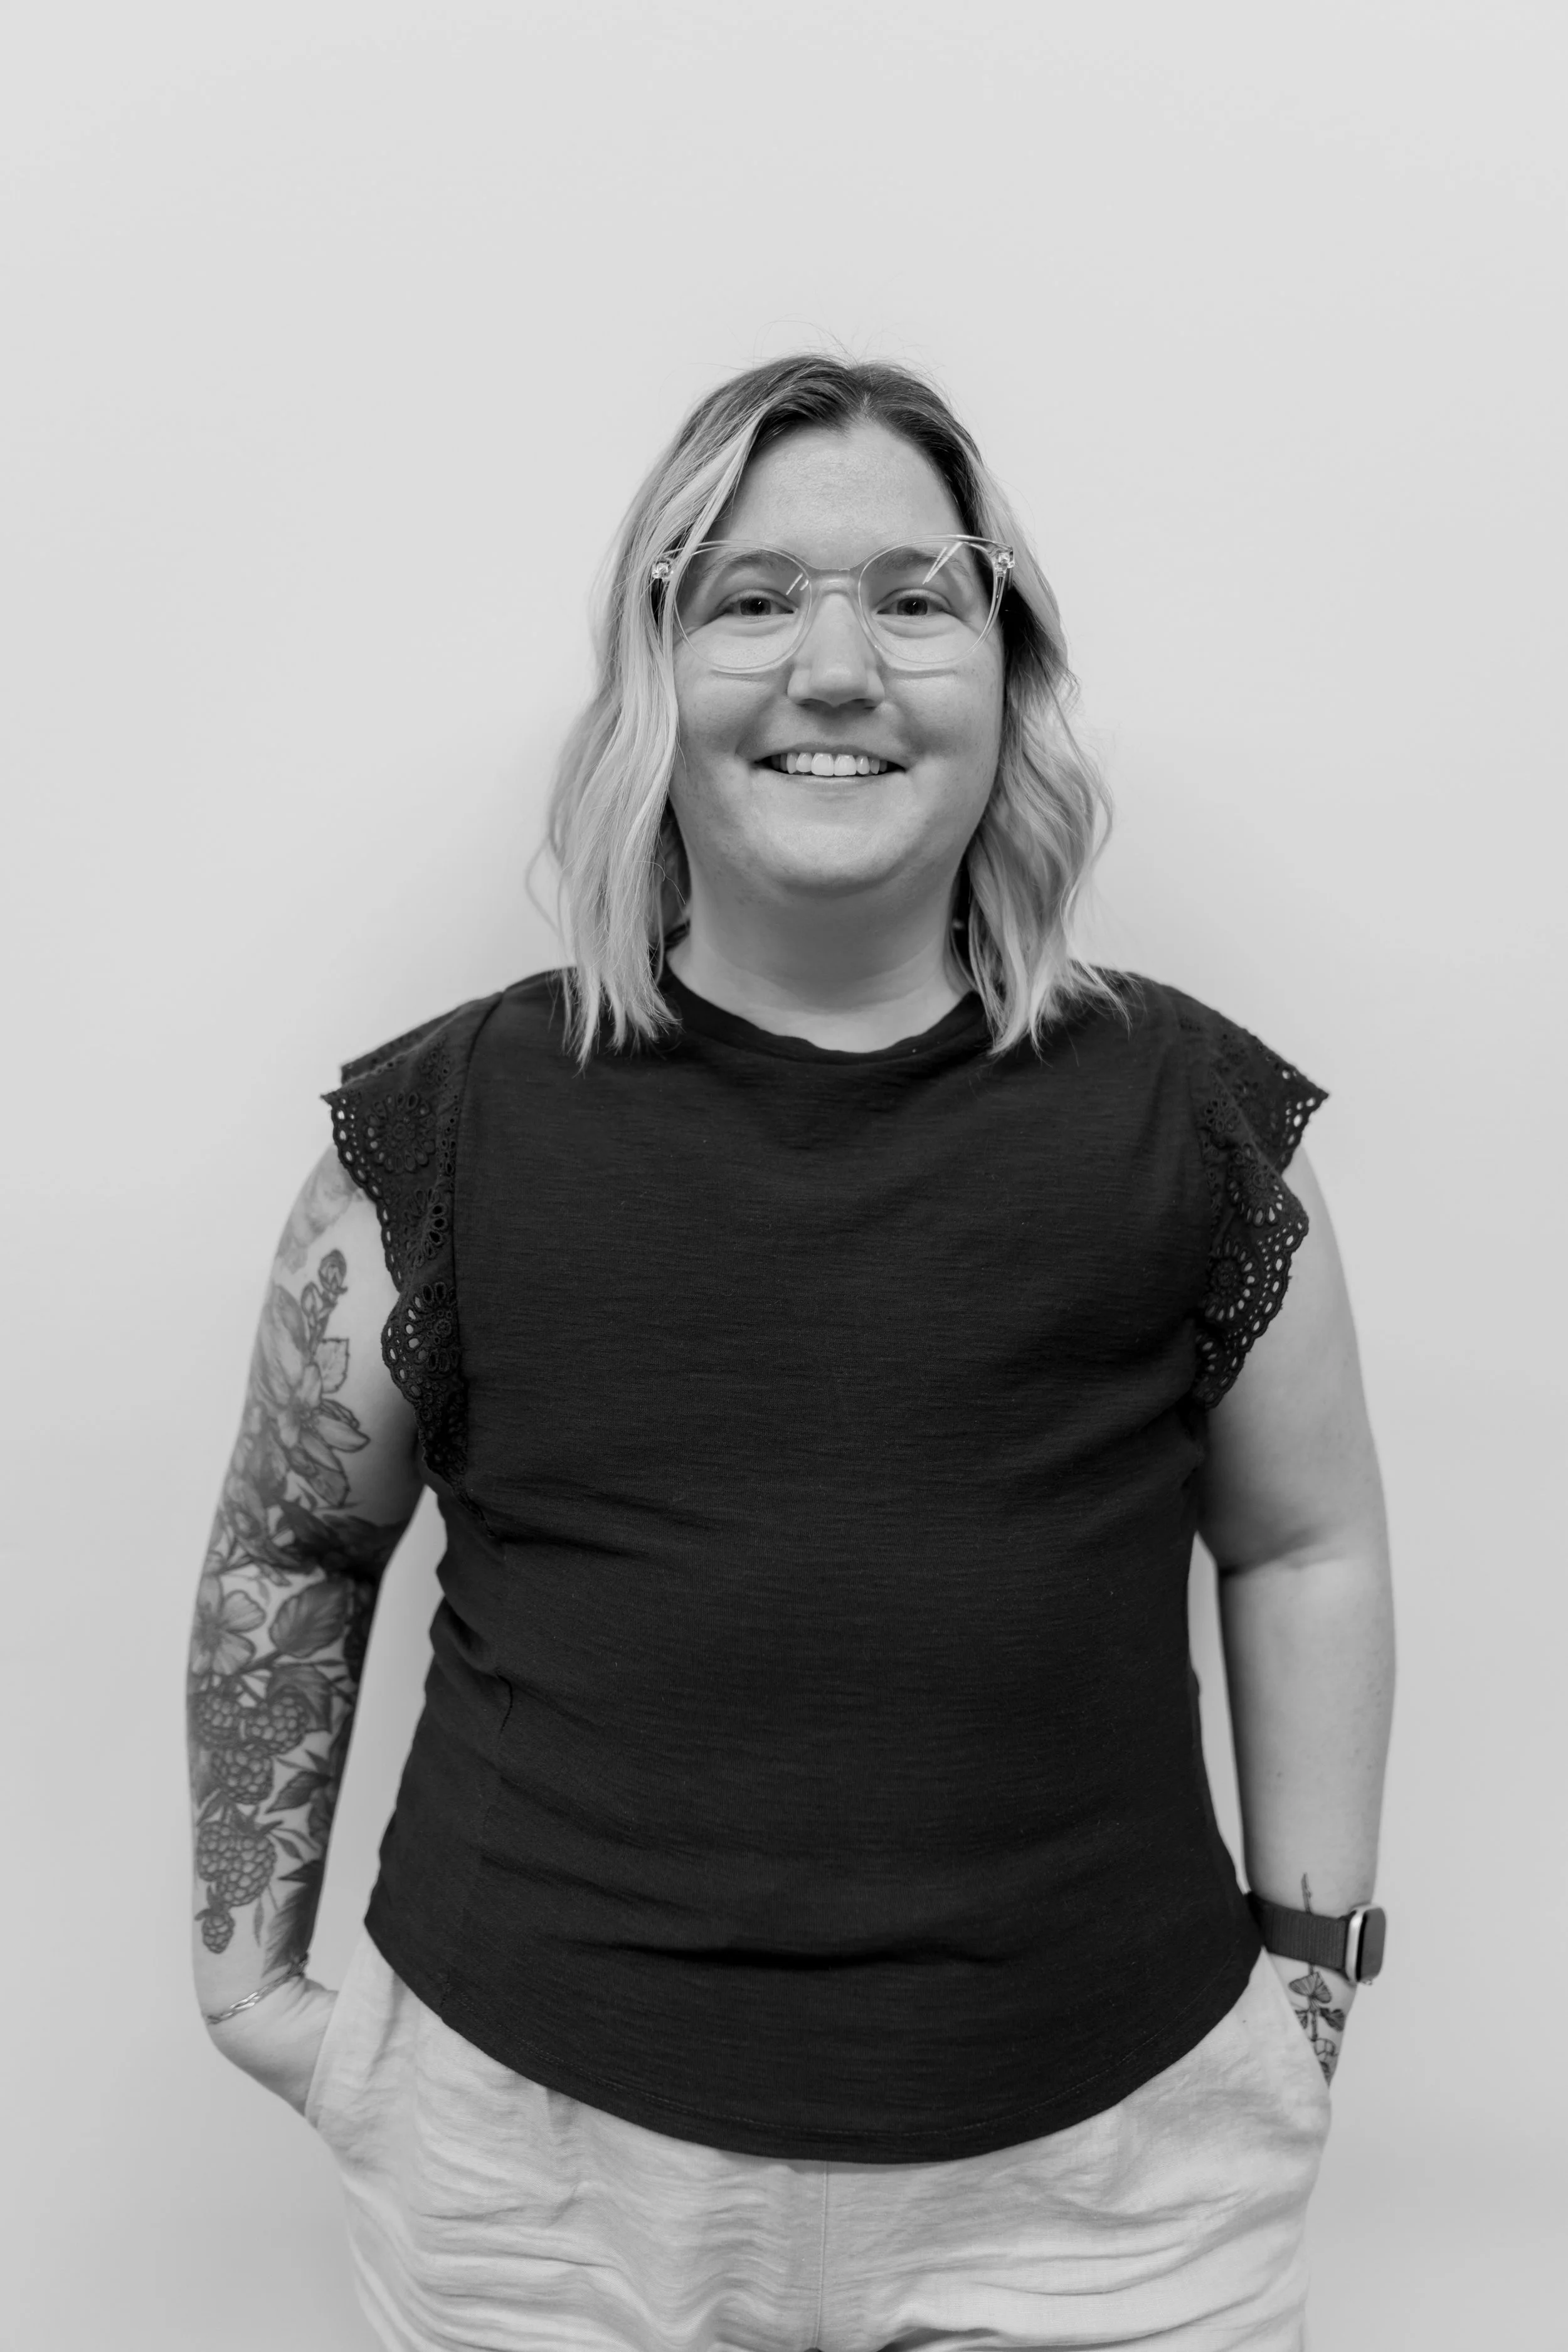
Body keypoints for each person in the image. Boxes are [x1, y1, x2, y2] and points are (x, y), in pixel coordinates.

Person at [186, 355, 1396, 2352]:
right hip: (533, 2184)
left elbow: (1302, 1546)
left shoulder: (1193, 1118)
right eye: (748, 597)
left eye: (914, 595)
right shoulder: (446, 1128)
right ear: (651, 674)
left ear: (1005, 668)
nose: (834, 663)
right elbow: (288, 1550)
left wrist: (1310, 1977)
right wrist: (254, 1987)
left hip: (1115, 2185)